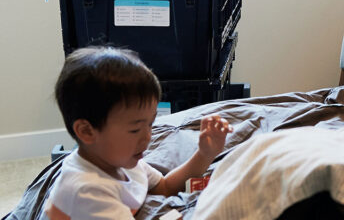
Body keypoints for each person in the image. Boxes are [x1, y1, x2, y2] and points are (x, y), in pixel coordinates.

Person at [45, 47, 232, 220]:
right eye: (135, 129)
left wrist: (205, 154)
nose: (147, 137)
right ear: (87, 131)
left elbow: (164, 187)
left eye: (151, 124)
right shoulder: (87, 190)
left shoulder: (118, 159)